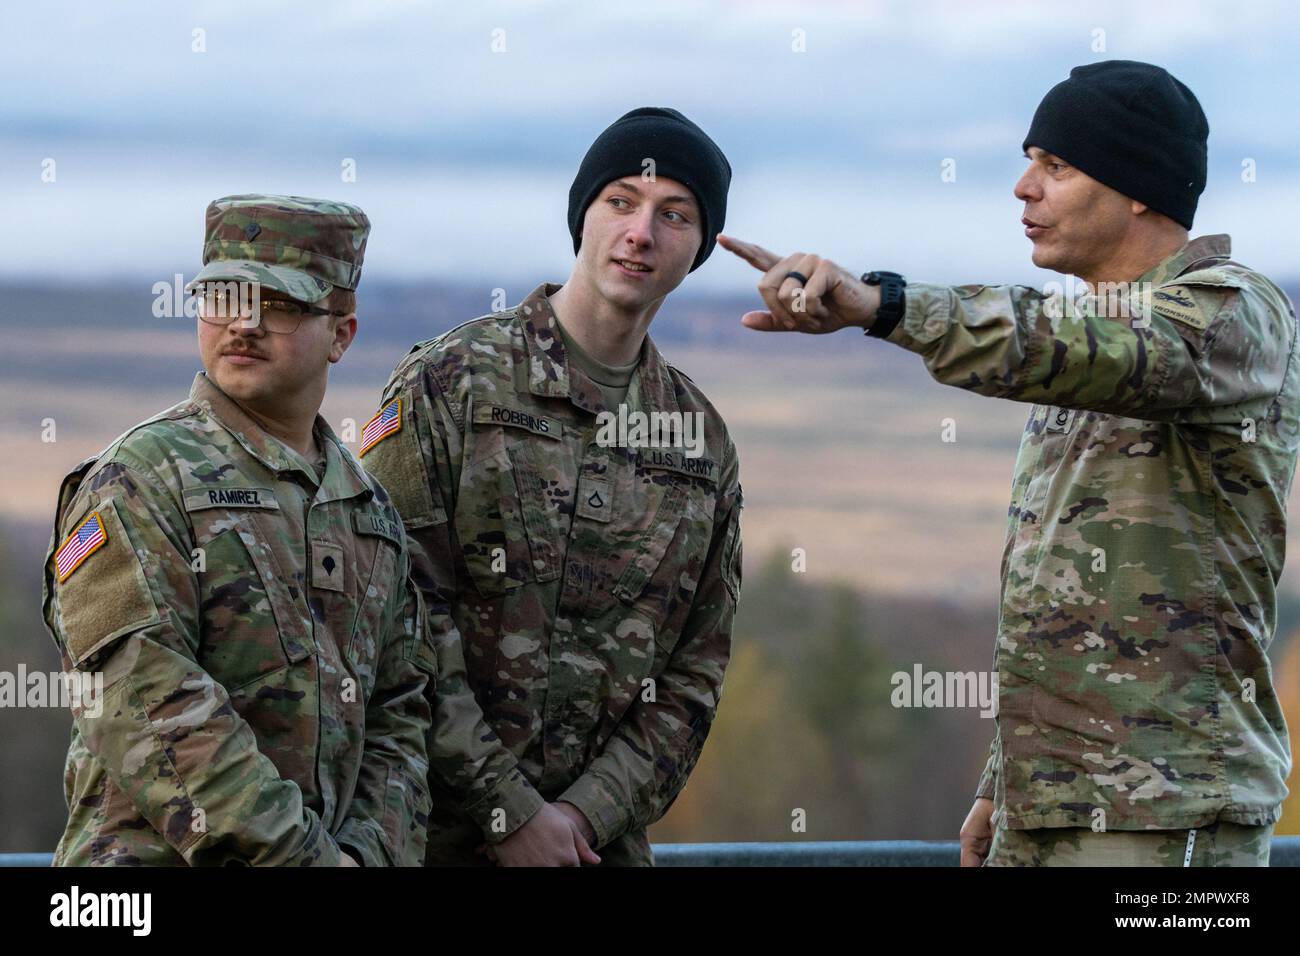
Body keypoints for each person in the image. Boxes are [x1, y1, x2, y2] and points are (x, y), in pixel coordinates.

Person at [719, 61, 1296, 867]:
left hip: (1165, 814)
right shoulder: (1084, 336)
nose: (1023, 188)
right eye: (1030, 161)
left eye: (1055, 166)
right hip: (1051, 805)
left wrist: (884, 305)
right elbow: (1061, 597)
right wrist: (1008, 781)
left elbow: (1073, 346)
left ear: (1138, 187)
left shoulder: (1231, 312)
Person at [361, 107, 744, 866]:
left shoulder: (699, 440)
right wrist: (509, 813)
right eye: (622, 203)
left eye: (676, 214)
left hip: (592, 851)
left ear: (698, 247)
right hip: (429, 836)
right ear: (584, 215)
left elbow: (695, 673)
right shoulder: (450, 385)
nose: (642, 233)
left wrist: (580, 818)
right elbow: (393, 617)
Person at [42, 194, 434, 866]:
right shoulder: (141, 478)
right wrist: (303, 860)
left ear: (341, 333)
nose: (243, 324)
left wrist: (371, 857)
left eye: (278, 305)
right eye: (223, 297)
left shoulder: (369, 513)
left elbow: (399, 715)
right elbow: (145, 697)